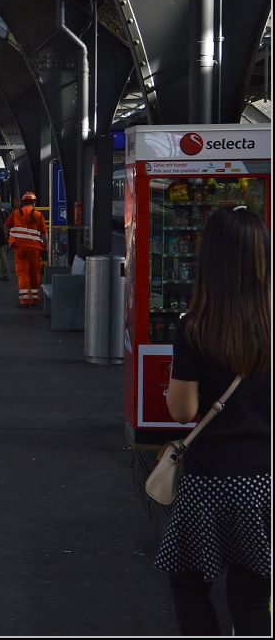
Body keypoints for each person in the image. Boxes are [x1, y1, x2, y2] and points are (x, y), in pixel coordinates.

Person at [155, 205, 271, 636]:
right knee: (254, 597)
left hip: (211, 480)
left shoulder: (193, 328)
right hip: (266, 479)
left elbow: (182, 411)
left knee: (188, 584)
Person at [4, 191, 47, 307]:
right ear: (34, 202)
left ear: (23, 203)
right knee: (35, 273)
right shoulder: (38, 215)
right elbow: (44, 234)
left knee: (23, 273)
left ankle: (24, 301)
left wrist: (8, 238)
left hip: (20, 248)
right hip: (35, 249)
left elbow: (6, 226)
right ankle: (35, 299)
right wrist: (46, 248)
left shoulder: (16, 213)